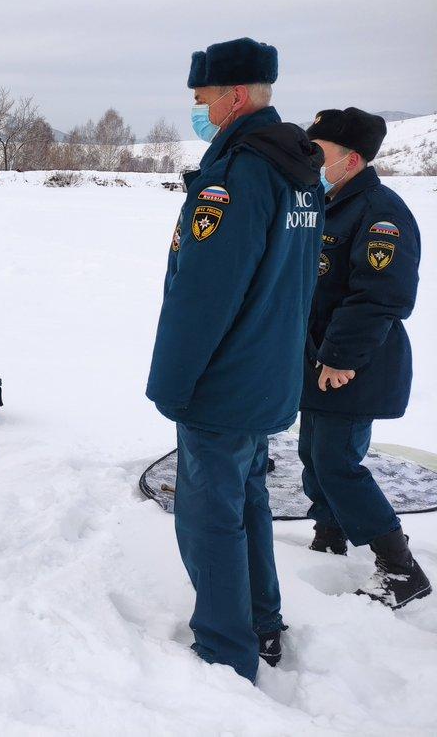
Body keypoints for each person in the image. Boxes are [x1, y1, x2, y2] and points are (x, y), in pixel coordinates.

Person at [146, 37, 324, 682]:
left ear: (236, 96)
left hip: (225, 378)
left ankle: (225, 650)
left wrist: (174, 382)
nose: (199, 112)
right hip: (267, 370)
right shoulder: (297, 169)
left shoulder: (240, 173)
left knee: (209, 518)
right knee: (246, 501)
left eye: (203, 101)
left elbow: (206, 293)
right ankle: (261, 621)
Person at [299, 107, 430, 608]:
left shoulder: (380, 212)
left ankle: (400, 569)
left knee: (337, 461)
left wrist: (339, 358)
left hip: (353, 364)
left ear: (351, 159)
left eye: (320, 152)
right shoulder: (327, 202)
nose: (312, 159)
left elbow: (380, 296)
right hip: (321, 359)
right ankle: (329, 533)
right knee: (315, 453)